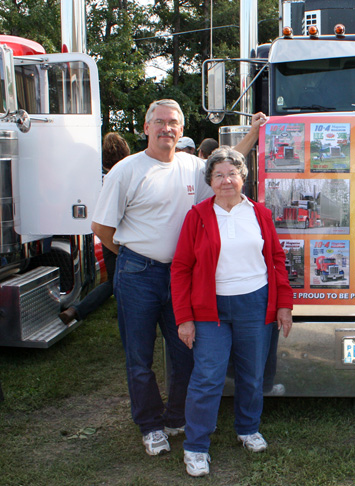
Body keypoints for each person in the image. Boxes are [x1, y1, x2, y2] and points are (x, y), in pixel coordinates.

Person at [91, 99, 266, 456]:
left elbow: (228, 164)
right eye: (159, 122)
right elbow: (101, 227)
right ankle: (150, 425)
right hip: (138, 273)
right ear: (146, 127)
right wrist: (132, 254)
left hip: (182, 277)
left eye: (173, 122)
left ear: (181, 130)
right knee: (139, 356)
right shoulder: (127, 170)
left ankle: (176, 418)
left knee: (186, 352)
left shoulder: (192, 167)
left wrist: (253, 132)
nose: (166, 128)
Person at [171, 147, 293, 477]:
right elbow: (181, 268)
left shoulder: (260, 214)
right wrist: (184, 318)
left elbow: (276, 260)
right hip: (210, 309)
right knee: (207, 377)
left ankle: (248, 428)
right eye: (219, 175)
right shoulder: (197, 216)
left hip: (255, 304)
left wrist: (284, 304)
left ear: (243, 178)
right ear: (210, 181)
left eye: (232, 174)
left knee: (252, 373)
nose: (226, 180)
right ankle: (196, 446)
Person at [59, 132, 130, 325]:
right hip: (125, 232)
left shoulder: (97, 179)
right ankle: (78, 310)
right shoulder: (126, 176)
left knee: (115, 279)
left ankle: (76, 310)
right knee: (120, 281)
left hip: (104, 232)